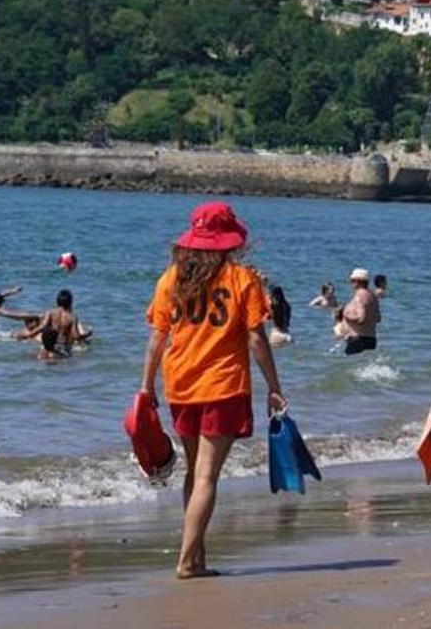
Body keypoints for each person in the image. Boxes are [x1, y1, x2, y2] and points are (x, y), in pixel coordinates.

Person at [139, 201, 287, 579]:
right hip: (222, 386)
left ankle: (197, 555)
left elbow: (157, 336)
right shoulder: (242, 279)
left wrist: (146, 386)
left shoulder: (170, 279)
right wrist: (274, 386)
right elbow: (256, 338)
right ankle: (187, 561)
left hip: (180, 386)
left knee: (194, 474)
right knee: (206, 476)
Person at [15, 289, 93, 358]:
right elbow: (76, 336)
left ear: (57, 301)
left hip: (49, 345)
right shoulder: (72, 317)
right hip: (64, 346)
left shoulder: (50, 312)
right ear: (70, 302)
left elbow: (42, 327)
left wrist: (28, 335)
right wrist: (87, 335)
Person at [340, 268, 381, 355]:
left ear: (358, 281)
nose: (351, 283)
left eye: (352, 281)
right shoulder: (372, 296)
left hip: (358, 340)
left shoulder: (360, 294)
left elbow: (361, 319)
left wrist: (346, 314)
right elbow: (378, 318)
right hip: (371, 340)